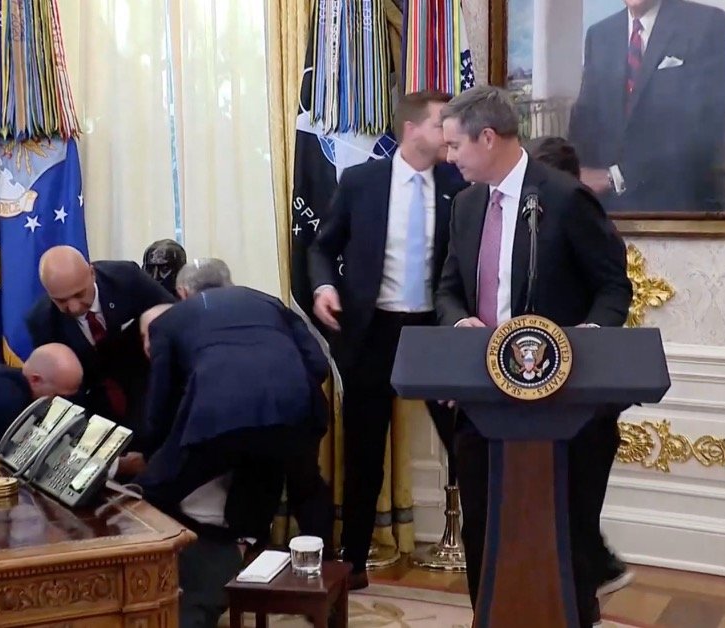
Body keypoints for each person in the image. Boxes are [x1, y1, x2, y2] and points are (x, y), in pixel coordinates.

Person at [435, 85, 632, 627]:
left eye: (455, 146)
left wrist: (590, 334)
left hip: (565, 406)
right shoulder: (468, 204)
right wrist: (459, 320)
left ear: (489, 137)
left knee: (564, 534)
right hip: (484, 402)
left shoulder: (566, 198)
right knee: (486, 524)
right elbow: (448, 287)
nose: (448, 158)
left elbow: (614, 287)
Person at [309, 90, 468, 587]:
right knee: (364, 451)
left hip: (435, 331)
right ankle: (353, 562)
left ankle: (492, 556)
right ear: (412, 129)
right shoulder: (362, 181)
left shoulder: (458, 182)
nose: (451, 133)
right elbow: (322, 246)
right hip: (373, 330)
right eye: (443, 122)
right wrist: (323, 286)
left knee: (467, 443)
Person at [132, 259, 333, 542]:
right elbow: (318, 364)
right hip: (296, 411)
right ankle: (323, 571)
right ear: (230, 282)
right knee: (305, 487)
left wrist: (153, 453)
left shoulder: (168, 321)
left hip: (216, 417)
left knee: (151, 491)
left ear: (182, 292)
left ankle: (173, 568)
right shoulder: (270, 303)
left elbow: (161, 400)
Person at [527, 135, 634, 596]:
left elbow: (615, 290)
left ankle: (586, 589)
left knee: (577, 509)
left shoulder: (582, 213)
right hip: (528, 390)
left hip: (586, 391)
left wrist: (590, 331)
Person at [568, 0, 725, 213]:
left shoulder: (706, 24)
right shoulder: (599, 35)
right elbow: (585, 118)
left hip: (679, 209)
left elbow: (700, 127)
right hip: (608, 214)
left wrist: (615, 176)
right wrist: (567, 172)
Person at [25, 245, 174, 439]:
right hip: (95, 403)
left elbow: (173, 318)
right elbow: (61, 390)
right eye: (61, 300)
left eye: (79, 294)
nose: (74, 306)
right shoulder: (42, 321)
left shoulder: (127, 278)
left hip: (149, 383)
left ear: (92, 273)